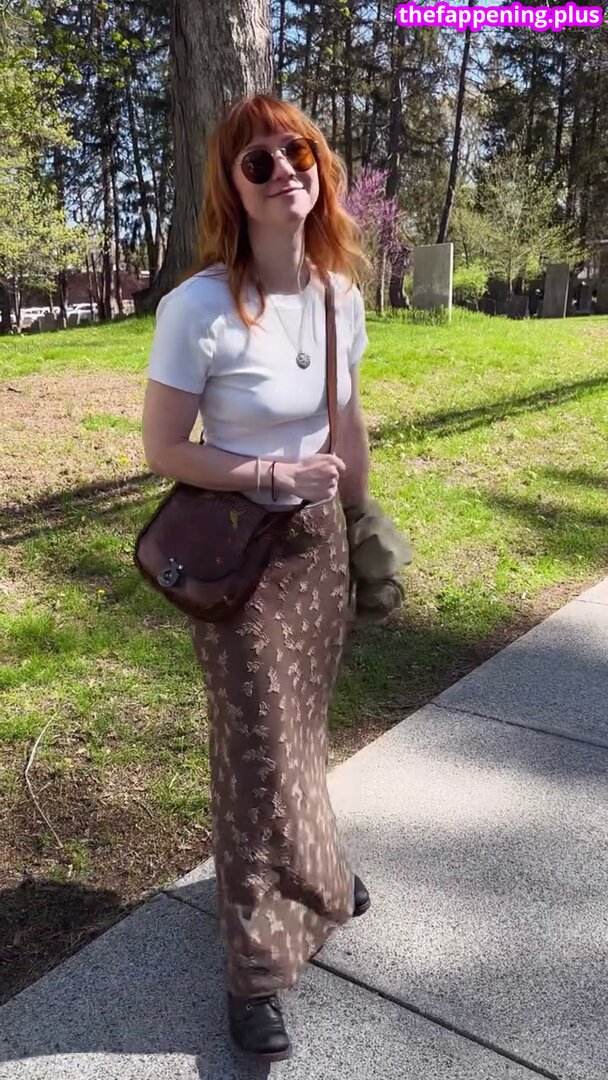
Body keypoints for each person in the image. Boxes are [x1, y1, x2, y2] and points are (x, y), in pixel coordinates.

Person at [141, 93, 373, 1063]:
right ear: (231, 191)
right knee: (256, 754)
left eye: (298, 151)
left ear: (319, 166)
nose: (284, 170)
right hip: (239, 556)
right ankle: (257, 972)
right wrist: (270, 472)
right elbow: (164, 448)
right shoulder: (196, 308)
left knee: (300, 735)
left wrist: (363, 522)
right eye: (258, 162)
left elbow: (346, 420)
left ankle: (318, 874)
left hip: (317, 554)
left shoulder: (339, 295)